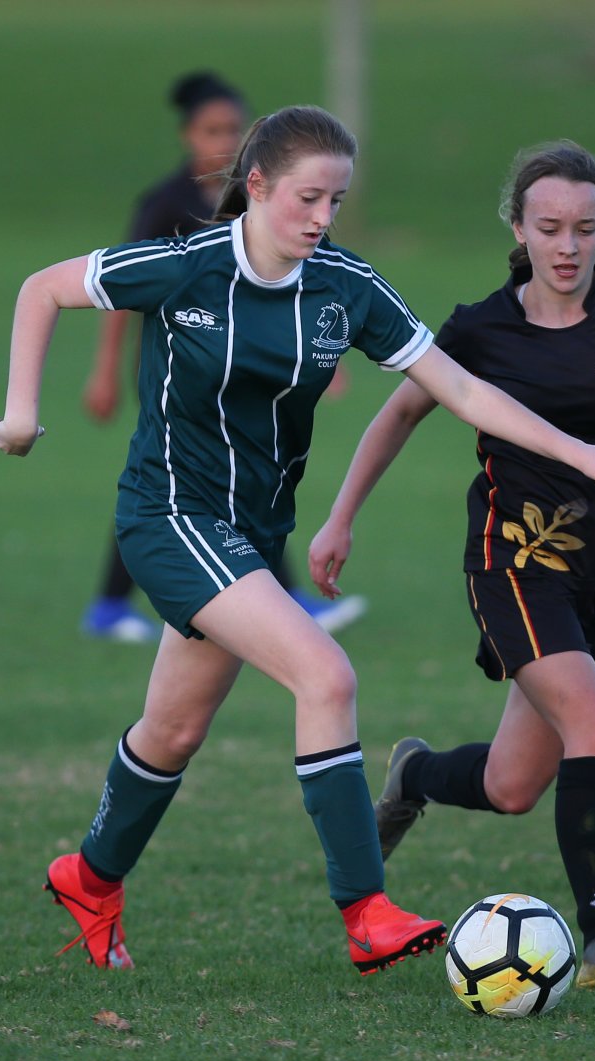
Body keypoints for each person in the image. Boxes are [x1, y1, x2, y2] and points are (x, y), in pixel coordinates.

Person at [0, 106, 595, 975]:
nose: (322, 218)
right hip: (169, 516)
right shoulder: (188, 264)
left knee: (174, 731)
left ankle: (89, 877)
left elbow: (462, 391)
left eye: (336, 201)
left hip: (250, 531)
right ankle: (365, 908)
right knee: (326, 674)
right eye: (308, 198)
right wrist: (21, 415)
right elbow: (42, 288)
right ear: (257, 186)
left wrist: (581, 451)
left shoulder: (345, 286)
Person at [308, 142, 595, 988]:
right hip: (512, 563)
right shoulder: (480, 328)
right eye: (550, 227)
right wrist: (340, 518)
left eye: (585, 229)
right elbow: (397, 416)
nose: (568, 245)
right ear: (519, 228)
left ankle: (414, 774)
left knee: (514, 784)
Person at [79, 72, 365, 643]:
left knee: (228, 477)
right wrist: (104, 373)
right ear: (188, 136)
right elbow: (115, 292)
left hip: (248, 365)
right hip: (187, 363)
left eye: (233, 128)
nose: (224, 140)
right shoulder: (167, 203)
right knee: (186, 478)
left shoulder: (264, 206)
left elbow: (296, 289)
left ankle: (121, 605)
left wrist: (327, 358)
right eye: (212, 130)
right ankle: (120, 604)